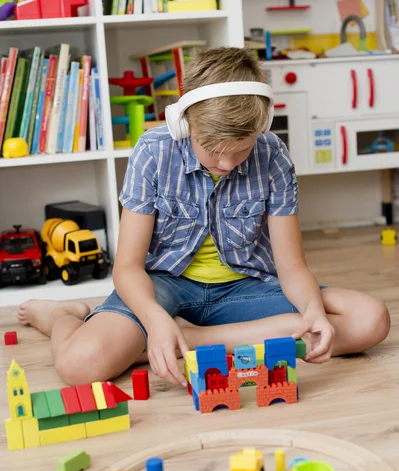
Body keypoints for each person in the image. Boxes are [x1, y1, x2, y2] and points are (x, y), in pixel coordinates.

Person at [18, 47, 390, 387]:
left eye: (241, 151)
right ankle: (62, 316)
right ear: (185, 124)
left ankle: (189, 339)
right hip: (164, 286)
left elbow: (291, 267)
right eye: (213, 150)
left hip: (246, 289)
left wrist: (311, 312)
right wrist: (155, 318)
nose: (227, 164)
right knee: (79, 365)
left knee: (370, 318)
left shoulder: (273, 155)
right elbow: (128, 266)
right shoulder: (154, 152)